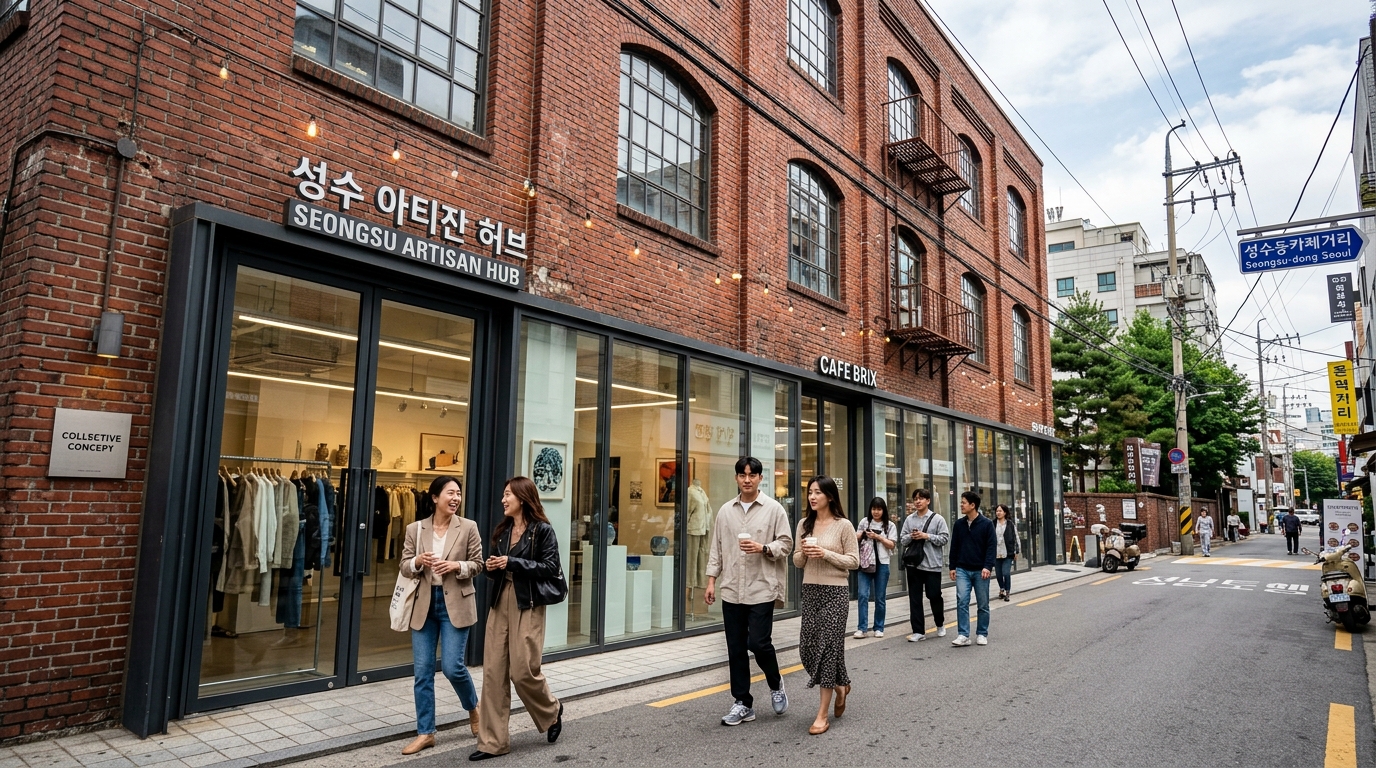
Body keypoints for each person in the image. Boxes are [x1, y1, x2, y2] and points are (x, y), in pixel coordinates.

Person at [471, 477, 565, 761]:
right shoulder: (503, 531)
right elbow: (499, 568)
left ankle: (551, 710)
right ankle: (492, 742)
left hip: (528, 602)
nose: (503, 499)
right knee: (493, 672)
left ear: (522, 498)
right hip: (501, 601)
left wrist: (512, 563)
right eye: (503, 494)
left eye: (507, 494)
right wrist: (492, 566)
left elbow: (550, 567)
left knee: (522, 670)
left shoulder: (542, 530)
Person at [399, 476, 485, 756]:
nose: (456, 498)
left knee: (452, 667)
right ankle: (426, 732)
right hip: (424, 605)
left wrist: (456, 566)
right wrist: (417, 561)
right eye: (450, 493)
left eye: (458, 493)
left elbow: (478, 564)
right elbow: (403, 565)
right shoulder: (415, 529)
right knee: (422, 672)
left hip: (455, 605)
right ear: (435, 497)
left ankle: (474, 709)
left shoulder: (468, 527)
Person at [705, 457, 793, 726]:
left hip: (762, 588)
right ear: (736, 478)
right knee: (735, 648)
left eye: (752, 475)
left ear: (760, 478)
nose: (747, 479)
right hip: (731, 589)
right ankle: (743, 702)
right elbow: (716, 549)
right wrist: (711, 581)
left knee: (758, 643)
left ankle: (775, 683)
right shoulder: (725, 511)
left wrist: (763, 548)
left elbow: (786, 544)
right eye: (742, 475)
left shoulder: (774, 509)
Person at [793, 477, 859, 735]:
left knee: (829, 649)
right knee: (807, 647)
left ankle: (822, 715)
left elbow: (853, 562)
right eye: (810, 492)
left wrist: (825, 554)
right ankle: (841, 686)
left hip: (836, 592)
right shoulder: (804, 524)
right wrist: (804, 553)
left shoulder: (843, 525)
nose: (812, 497)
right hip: (810, 590)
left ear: (830, 496)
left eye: (818, 492)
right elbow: (797, 562)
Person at [899, 488, 949, 642]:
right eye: (915, 499)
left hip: (932, 564)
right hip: (914, 564)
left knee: (934, 595)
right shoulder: (909, 519)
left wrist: (926, 536)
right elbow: (902, 539)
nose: (918, 501)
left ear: (928, 500)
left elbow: (945, 539)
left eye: (921, 498)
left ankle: (939, 623)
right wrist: (912, 536)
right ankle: (918, 631)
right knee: (914, 598)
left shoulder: (938, 519)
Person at [948, 491, 995, 647]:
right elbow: (954, 546)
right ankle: (963, 635)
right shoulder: (959, 524)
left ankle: (982, 633)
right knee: (962, 600)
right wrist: (952, 566)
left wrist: (987, 566)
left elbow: (991, 547)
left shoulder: (987, 524)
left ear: (973, 505)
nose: (961, 505)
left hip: (981, 570)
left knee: (983, 604)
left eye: (963, 502)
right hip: (962, 569)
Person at [854, 497, 897, 638]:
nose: (876, 512)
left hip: (882, 563)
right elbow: (855, 538)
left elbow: (892, 545)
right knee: (862, 595)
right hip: (865, 563)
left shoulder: (889, 525)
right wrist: (860, 535)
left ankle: (879, 627)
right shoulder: (864, 522)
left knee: (880, 597)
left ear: (883, 510)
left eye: (879, 509)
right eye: (874, 509)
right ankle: (862, 628)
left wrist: (878, 537)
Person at [993, 504, 1019, 602]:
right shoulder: (993, 523)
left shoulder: (1010, 524)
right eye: (997, 511)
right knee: (999, 574)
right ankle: (1001, 589)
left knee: (1006, 573)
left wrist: (1017, 551)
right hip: (996, 553)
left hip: (1008, 553)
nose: (998, 513)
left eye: (1000, 511)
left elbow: (1016, 538)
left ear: (1005, 512)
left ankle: (1007, 592)